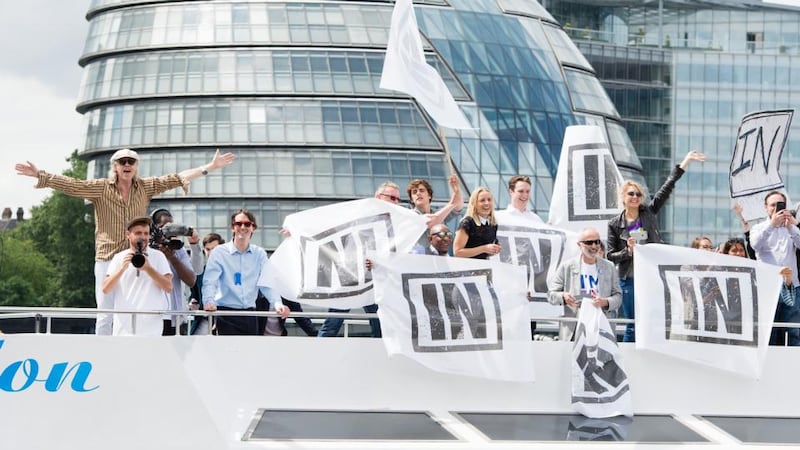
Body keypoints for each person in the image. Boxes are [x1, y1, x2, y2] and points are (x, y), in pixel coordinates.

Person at [15, 148, 235, 335]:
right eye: (122, 162)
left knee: (141, 310)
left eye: (131, 161)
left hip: (137, 258)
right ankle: (103, 358)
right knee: (105, 313)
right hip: (108, 257)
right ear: (115, 166)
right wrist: (40, 175)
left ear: (136, 166)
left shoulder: (145, 187)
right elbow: (72, 185)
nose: (127, 164)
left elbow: (177, 178)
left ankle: (138, 350)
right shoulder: (101, 188)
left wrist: (210, 166)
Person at [607, 150, 705, 342]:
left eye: (638, 194)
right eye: (631, 194)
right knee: (633, 323)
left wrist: (685, 161)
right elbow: (610, 255)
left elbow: (667, 186)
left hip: (652, 276)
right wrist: (627, 251)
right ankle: (629, 363)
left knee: (653, 321)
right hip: (629, 278)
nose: (635, 197)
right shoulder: (614, 224)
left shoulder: (649, 214)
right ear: (623, 197)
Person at [317, 181, 401, 338]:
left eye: (398, 199)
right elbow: (327, 226)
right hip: (351, 277)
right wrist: (295, 231)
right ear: (378, 196)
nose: (395, 202)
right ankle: (317, 355)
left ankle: (381, 357)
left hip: (374, 281)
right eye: (392, 197)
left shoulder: (395, 222)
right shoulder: (359, 213)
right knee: (332, 323)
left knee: (379, 324)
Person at [202, 209, 289, 335]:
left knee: (250, 353)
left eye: (247, 224)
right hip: (225, 314)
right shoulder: (219, 252)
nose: (243, 227)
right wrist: (209, 301)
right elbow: (210, 281)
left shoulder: (259, 254)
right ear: (233, 227)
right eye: (238, 224)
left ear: (253, 228)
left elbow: (266, 282)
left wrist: (277, 303)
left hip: (250, 314)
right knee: (227, 353)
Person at [101, 216, 172, 336]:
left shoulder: (158, 256)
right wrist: (122, 268)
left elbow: (168, 287)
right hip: (123, 329)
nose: (143, 237)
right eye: (138, 233)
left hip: (151, 330)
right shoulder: (119, 257)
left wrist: (148, 269)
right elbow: (105, 288)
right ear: (128, 234)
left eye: (146, 233)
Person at [548, 227, 621, 341]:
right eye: (589, 242)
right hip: (575, 326)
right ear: (579, 245)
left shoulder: (609, 267)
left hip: (601, 325)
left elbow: (618, 296)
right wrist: (563, 297)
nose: (594, 246)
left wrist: (606, 302)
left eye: (597, 242)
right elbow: (551, 294)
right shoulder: (567, 266)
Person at [750, 190, 800, 346]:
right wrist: (772, 225)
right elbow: (755, 245)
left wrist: (792, 226)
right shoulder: (759, 228)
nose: (776, 208)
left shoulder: (791, 227)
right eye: (773, 205)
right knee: (768, 331)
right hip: (767, 287)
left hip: (791, 286)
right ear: (766, 208)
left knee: (793, 331)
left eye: (780, 205)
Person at [150, 208, 202, 335]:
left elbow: (191, 280)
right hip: (153, 315)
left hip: (176, 316)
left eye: (171, 226)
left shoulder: (179, 250)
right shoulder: (148, 250)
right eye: (164, 227)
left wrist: (173, 258)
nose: (168, 231)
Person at [188, 232, 225, 334]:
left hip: (224, 320)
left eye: (214, 249)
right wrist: (193, 301)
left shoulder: (229, 271)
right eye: (208, 249)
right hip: (204, 320)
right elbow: (194, 294)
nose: (211, 252)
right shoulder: (201, 272)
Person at [454, 187, 501, 259]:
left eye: (489, 200)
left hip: (484, 267)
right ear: (474, 204)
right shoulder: (468, 222)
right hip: (467, 268)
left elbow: (483, 253)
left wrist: (493, 250)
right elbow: (457, 252)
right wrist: (484, 248)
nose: (487, 203)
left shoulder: (493, 224)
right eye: (482, 200)